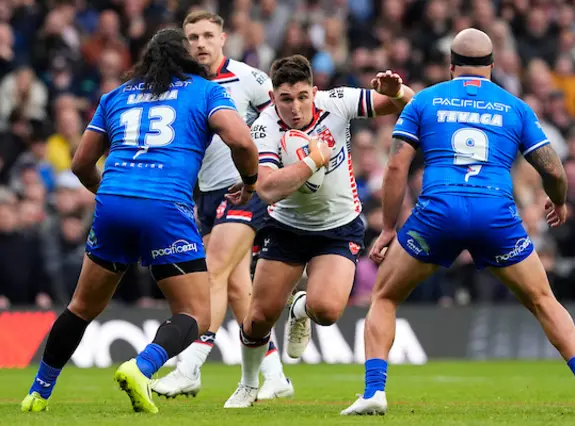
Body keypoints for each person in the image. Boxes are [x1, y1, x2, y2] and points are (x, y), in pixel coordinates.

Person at [341, 28, 575, 416]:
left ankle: (375, 391)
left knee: (386, 297)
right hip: (496, 214)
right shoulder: (515, 106)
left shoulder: (424, 100)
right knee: (543, 300)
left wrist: (389, 228)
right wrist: (557, 202)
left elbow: (395, 166)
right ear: (492, 66)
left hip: (437, 213)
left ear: (450, 65)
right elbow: (555, 170)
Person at [20, 28, 259, 414]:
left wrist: (110, 194)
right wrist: (249, 185)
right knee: (195, 315)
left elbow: (81, 163)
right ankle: (141, 365)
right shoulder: (205, 90)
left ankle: (38, 393)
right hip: (166, 206)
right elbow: (243, 142)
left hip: (113, 202)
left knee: (81, 307)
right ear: (186, 58)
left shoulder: (115, 96)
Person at [224, 54, 415, 408]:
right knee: (258, 318)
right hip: (286, 227)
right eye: (285, 99)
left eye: (302, 97)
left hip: (338, 227)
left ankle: (300, 310)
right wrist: (313, 161)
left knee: (326, 311)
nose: (294, 107)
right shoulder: (265, 127)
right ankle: (249, 384)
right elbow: (266, 189)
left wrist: (398, 91)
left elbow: (407, 106)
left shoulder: (337, 102)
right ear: (273, 96)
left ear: (314, 91)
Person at [150, 11, 292, 401]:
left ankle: (189, 365)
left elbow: (285, 118)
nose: (199, 43)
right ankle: (275, 373)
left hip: (245, 190)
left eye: (207, 35)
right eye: (192, 36)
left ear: (223, 38)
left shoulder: (249, 79)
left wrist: (268, 167)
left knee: (212, 270)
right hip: (208, 194)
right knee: (236, 289)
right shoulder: (185, 84)